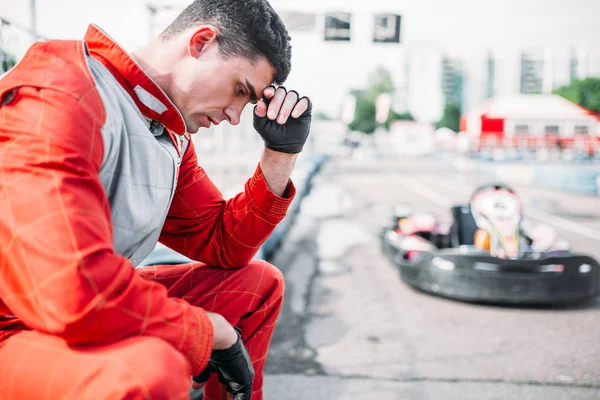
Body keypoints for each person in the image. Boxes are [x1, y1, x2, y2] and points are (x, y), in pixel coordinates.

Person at [0, 0, 311, 399]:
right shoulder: (62, 95)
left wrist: (279, 156)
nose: (236, 116)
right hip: (15, 324)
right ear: (200, 42)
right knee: (147, 374)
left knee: (258, 285)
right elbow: (69, 290)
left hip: (71, 309)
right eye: (239, 90)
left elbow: (223, 244)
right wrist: (207, 331)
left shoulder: (169, 133)